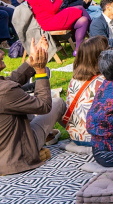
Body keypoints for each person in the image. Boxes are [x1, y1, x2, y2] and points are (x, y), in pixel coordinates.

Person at [0, 38, 66, 175]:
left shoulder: (5, 89)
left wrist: (31, 61)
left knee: (24, 106)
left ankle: (48, 135)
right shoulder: (5, 91)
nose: (2, 52)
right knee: (58, 103)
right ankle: (81, 140)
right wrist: (41, 70)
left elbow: (11, 81)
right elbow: (44, 106)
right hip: (17, 156)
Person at [62, 36, 108, 146]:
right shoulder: (104, 82)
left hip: (76, 136)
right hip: (96, 139)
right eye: (108, 50)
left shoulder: (75, 79)